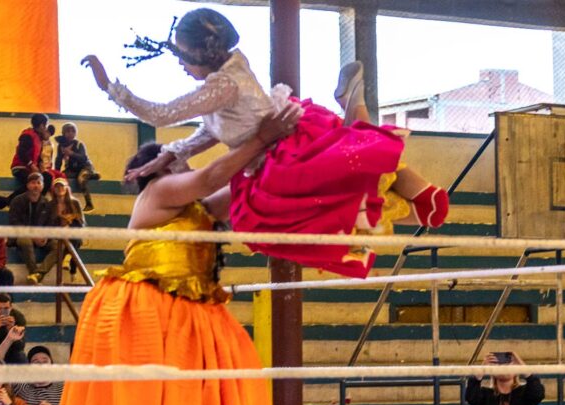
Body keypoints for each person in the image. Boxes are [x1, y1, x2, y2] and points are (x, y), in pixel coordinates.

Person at [52, 106, 296, 405]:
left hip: (193, 323)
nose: (183, 159)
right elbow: (212, 177)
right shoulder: (159, 193)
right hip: (150, 321)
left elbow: (239, 186)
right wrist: (261, 138)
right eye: (174, 157)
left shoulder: (198, 208)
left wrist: (283, 149)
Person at [81, 8, 406, 278]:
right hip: (274, 148)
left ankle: (354, 114)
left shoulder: (221, 86)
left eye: (182, 56)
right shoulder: (226, 81)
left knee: (283, 211)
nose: (180, 64)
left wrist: (110, 87)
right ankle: (357, 121)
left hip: (279, 152)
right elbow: (207, 136)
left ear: (200, 52)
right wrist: (172, 151)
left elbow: (166, 119)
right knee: (336, 190)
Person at [10, 172, 59, 284]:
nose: (36, 185)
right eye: (33, 183)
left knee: (58, 246)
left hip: (41, 238)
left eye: (38, 183)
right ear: (27, 185)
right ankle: (33, 272)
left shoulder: (46, 203)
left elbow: (50, 224)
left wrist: (45, 236)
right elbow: (14, 223)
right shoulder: (17, 201)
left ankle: (38, 275)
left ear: (42, 186)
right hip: (21, 236)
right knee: (25, 241)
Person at [54, 122, 100, 212]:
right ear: (63, 133)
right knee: (62, 179)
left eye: (73, 131)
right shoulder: (61, 146)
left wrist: (72, 154)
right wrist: (57, 172)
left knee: (81, 179)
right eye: (68, 131)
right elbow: (58, 160)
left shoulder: (79, 144)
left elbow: (83, 158)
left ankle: (89, 203)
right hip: (72, 169)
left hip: (84, 167)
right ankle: (62, 201)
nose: (70, 134)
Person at [10, 113, 53, 195]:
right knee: (32, 182)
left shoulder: (38, 137)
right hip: (20, 168)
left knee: (47, 177)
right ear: (41, 125)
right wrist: (31, 165)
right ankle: (10, 200)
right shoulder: (27, 136)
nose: (46, 128)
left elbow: (38, 156)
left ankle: (39, 199)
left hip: (30, 168)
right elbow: (21, 152)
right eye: (45, 125)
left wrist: (41, 165)